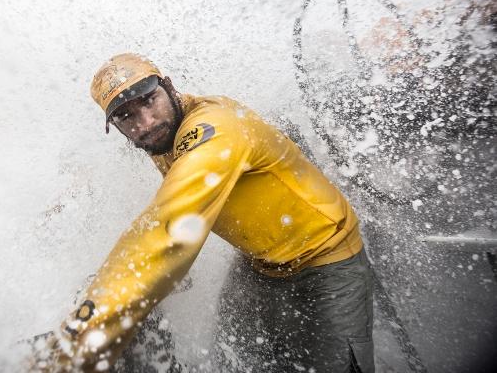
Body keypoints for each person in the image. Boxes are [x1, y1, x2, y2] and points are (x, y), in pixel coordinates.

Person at [29, 53, 374, 372]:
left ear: (170, 87)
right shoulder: (163, 134)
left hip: (326, 262)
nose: (146, 122)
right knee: (233, 361)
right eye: (126, 116)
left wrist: (74, 343)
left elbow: (165, 229)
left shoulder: (213, 129)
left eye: (149, 100)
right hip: (260, 265)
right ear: (114, 127)